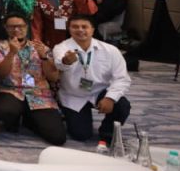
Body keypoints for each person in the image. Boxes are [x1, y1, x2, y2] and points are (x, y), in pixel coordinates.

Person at [53, 14, 131, 143]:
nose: (80, 30)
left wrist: (110, 98)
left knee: (122, 105)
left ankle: (107, 132)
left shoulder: (110, 50)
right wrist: (66, 61)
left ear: (92, 30)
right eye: (75, 27)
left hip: (99, 91)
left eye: (84, 27)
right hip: (74, 96)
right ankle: (67, 115)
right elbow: (59, 64)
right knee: (81, 135)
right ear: (69, 29)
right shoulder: (61, 48)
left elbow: (122, 78)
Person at [0, 14, 66, 145]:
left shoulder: (40, 47)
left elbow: (53, 77)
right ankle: (16, 118)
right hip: (11, 90)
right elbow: (2, 74)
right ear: (5, 28)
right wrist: (11, 53)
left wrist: (44, 57)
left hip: (38, 94)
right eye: (11, 27)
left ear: (27, 27)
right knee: (3, 111)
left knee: (57, 137)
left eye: (20, 26)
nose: (16, 30)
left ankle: (29, 118)